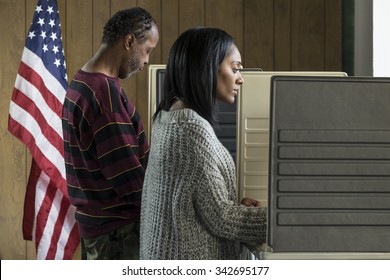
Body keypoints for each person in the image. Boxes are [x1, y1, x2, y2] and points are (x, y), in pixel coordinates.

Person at [140, 27, 267, 260]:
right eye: (235, 68)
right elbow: (223, 218)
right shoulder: (190, 129)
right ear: (207, 67)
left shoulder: (167, 117)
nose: (241, 78)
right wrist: (282, 219)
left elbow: (199, 204)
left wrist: (233, 204)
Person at [62, 7, 159, 260]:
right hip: (118, 235)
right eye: (147, 50)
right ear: (129, 42)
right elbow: (130, 180)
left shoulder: (83, 81)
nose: (147, 61)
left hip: (99, 230)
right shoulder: (103, 94)